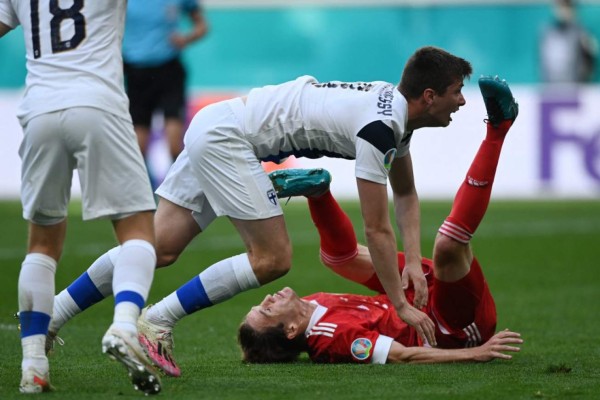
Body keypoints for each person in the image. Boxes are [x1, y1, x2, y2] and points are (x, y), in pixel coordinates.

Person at [47, 46, 473, 376]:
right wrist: (400, 304)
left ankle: (52, 314)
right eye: (457, 92)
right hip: (231, 140)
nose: (462, 102)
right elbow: (377, 228)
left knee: (158, 248)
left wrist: (414, 261)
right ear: (430, 95)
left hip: (217, 123)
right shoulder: (380, 129)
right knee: (272, 259)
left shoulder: (392, 112)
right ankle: (157, 320)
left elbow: (406, 193)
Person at [238, 76, 520, 364]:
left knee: (339, 259)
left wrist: (408, 273)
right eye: (267, 310)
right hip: (448, 326)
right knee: (447, 245)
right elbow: (403, 356)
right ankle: (498, 130)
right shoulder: (332, 339)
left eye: (260, 304)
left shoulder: (311, 305)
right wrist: (476, 352)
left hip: (414, 297)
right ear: (291, 330)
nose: (267, 299)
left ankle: (319, 193)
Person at [0, 1, 160, 395]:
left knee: (41, 244)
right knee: (138, 232)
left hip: (38, 111)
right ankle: (124, 327)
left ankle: (34, 364)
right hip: (98, 104)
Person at [123, 0, 208, 188]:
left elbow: (202, 26)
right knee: (138, 146)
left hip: (168, 69)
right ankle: (148, 191)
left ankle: (181, 189)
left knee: (174, 142)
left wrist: (186, 39)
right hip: (136, 72)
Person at [539, 0, 597, 83]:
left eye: (567, 7)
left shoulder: (581, 33)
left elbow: (590, 62)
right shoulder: (547, 33)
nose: (564, 11)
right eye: (561, 6)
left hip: (575, 87)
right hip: (551, 87)